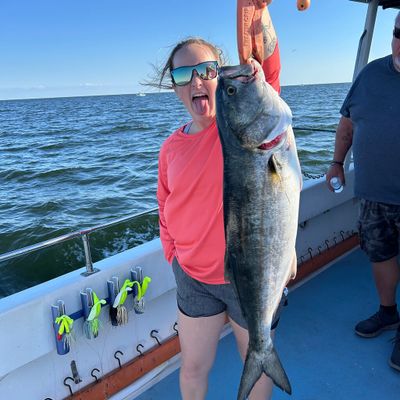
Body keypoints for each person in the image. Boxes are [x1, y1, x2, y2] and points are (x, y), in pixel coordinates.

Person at [155, 2, 296, 399]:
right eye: (183, 74)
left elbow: (266, 65)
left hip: (248, 277)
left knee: (256, 355)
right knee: (193, 366)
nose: (197, 80)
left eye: (207, 70)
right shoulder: (170, 148)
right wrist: (172, 252)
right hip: (193, 277)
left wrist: (258, 12)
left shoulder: (248, 124)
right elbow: (164, 204)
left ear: (219, 75)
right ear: (175, 87)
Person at [326, 11, 400, 372]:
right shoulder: (370, 74)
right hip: (373, 193)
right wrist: (337, 162)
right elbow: (347, 123)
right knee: (379, 254)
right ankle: (388, 312)